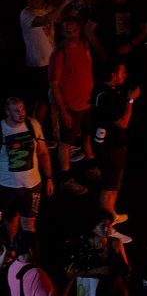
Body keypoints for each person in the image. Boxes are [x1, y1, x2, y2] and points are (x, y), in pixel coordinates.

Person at [49, 15, 98, 195]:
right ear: (63, 32)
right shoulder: (60, 53)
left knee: (86, 136)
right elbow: (54, 85)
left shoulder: (84, 44)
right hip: (71, 106)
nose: (71, 35)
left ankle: (90, 167)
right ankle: (66, 179)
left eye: (74, 30)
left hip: (86, 102)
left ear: (79, 29)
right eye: (67, 32)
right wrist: (63, 111)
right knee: (66, 143)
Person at [1, 97, 54, 241]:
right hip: (8, 187)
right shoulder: (2, 129)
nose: (21, 113)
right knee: (11, 222)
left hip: (32, 185)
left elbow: (43, 153)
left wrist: (49, 178)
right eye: (16, 110)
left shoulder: (33, 124)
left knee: (29, 224)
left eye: (23, 109)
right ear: (7, 112)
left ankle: (29, 254)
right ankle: (12, 252)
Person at [92, 61, 139, 224]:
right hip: (111, 148)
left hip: (109, 146)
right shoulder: (106, 97)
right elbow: (123, 122)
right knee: (110, 186)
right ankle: (106, 223)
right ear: (112, 75)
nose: (125, 75)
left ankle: (110, 214)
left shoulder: (104, 92)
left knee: (112, 185)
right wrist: (130, 101)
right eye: (122, 72)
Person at [19, 0, 72, 124]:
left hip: (52, 60)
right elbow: (43, 20)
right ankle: (37, 130)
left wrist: (73, 4)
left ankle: (52, 128)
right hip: (38, 64)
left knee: (51, 97)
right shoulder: (26, 13)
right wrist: (62, 5)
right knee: (42, 99)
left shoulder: (48, 8)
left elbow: (63, 19)